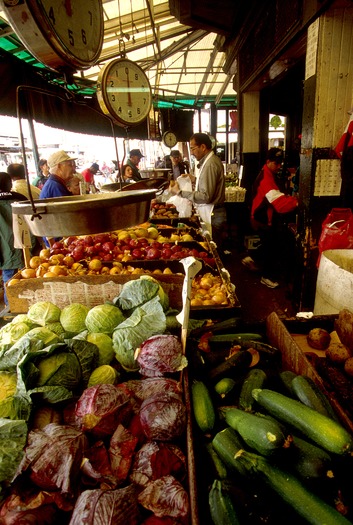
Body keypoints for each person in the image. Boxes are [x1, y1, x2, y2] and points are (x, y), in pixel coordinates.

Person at [242, 147, 298, 289]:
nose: (279, 167)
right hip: (261, 219)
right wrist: (297, 201)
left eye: (280, 164)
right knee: (271, 247)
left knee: (270, 243)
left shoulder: (269, 173)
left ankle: (252, 258)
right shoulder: (265, 179)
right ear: (268, 162)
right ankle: (266, 277)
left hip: (264, 217)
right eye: (276, 163)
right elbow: (279, 204)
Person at [168, 132, 227, 250]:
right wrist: (194, 178)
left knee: (214, 250)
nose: (192, 152)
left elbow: (205, 196)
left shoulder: (210, 164)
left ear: (203, 147)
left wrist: (180, 192)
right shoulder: (208, 161)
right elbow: (208, 184)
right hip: (211, 211)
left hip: (213, 213)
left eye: (193, 148)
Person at [0, 172, 27, 308]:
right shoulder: (21, 199)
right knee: (28, 277)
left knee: (9, 279)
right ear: (10, 184)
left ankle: (10, 308)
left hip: (4, 251)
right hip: (25, 246)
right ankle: (28, 304)